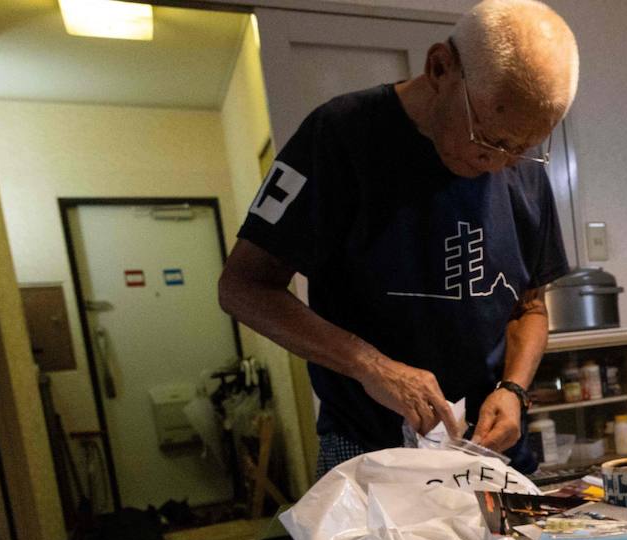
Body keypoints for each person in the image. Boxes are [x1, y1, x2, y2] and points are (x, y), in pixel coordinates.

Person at [218, 0, 579, 476]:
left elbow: (529, 306)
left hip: (491, 455)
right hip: (371, 453)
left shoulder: (518, 166)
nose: (504, 162)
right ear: (439, 67)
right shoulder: (339, 136)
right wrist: (372, 365)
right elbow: (243, 288)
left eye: (524, 148)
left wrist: (513, 389)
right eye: (490, 140)